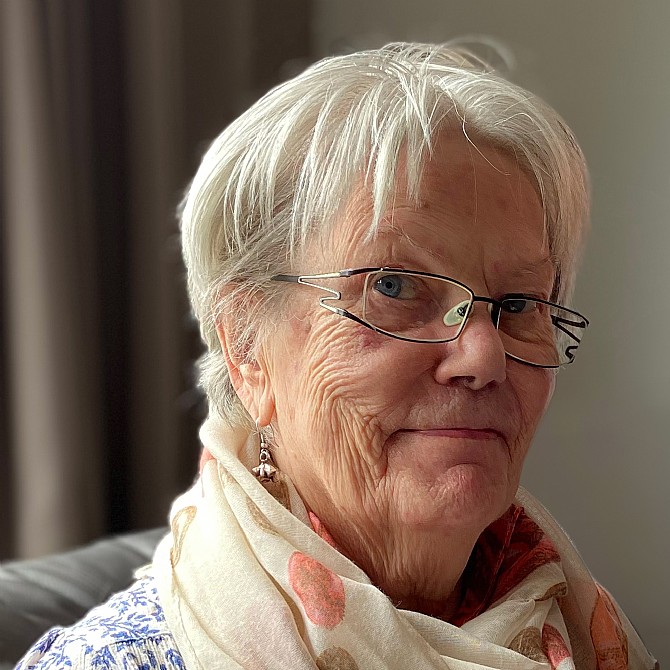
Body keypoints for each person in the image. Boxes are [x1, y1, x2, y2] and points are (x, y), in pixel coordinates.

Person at [17, 42, 657, 670]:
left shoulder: (581, 634)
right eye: (394, 287)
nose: (483, 356)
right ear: (247, 344)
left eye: (519, 303)